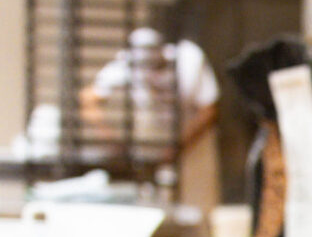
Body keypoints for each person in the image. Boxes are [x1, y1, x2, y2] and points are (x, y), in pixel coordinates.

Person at [82, 25, 220, 156]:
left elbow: (209, 111)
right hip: (153, 148)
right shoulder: (123, 69)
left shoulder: (189, 61)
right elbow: (88, 98)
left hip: (193, 147)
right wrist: (109, 138)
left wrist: (178, 148)